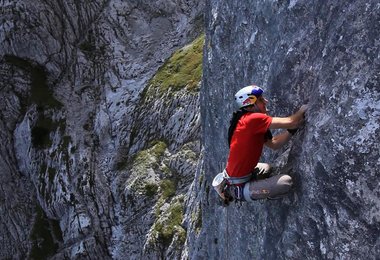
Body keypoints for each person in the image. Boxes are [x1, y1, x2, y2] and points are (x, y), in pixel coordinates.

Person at [219, 85, 308, 203]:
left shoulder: (246, 121)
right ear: (251, 105)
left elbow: (274, 144)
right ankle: (260, 193)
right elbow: (292, 121)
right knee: (285, 182)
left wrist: (291, 130)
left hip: (238, 176)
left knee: (267, 169)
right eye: (261, 99)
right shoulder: (252, 119)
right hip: (238, 187)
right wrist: (303, 110)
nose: (266, 101)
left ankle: (258, 186)